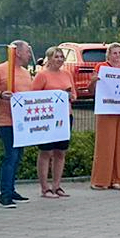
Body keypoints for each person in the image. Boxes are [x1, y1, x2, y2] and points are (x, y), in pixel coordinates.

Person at [0, 40, 35, 206]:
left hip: (23, 122)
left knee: (18, 156)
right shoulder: (0, 70)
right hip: (7, 121)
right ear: (17, 52)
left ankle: (11, 189)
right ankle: (5, 194)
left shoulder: (26, 73)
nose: (29, 55)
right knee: (11, 156)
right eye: (27, 51)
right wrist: (0, 95)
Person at [31, 47, 76, 198]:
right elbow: (34, 95)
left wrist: (70, 96)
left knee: (60, 152)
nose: (59, 59)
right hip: (48, 118)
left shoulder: (67, 74)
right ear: (49, 59)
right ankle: (45, 188)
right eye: (56, 57)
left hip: (65, 116)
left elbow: (74, 94)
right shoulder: (42, 75)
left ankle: (57, 186)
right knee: (46, 151)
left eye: (61, 57)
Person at [90, 43, 120, 189]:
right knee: (105, 143)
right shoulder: (101, 67)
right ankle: (101, 180)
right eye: (114, 53)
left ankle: (118, 179)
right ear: (108, 55)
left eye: (119, 53)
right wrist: (93, 81)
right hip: (106, 110)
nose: (117, 56)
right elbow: (92, 89)